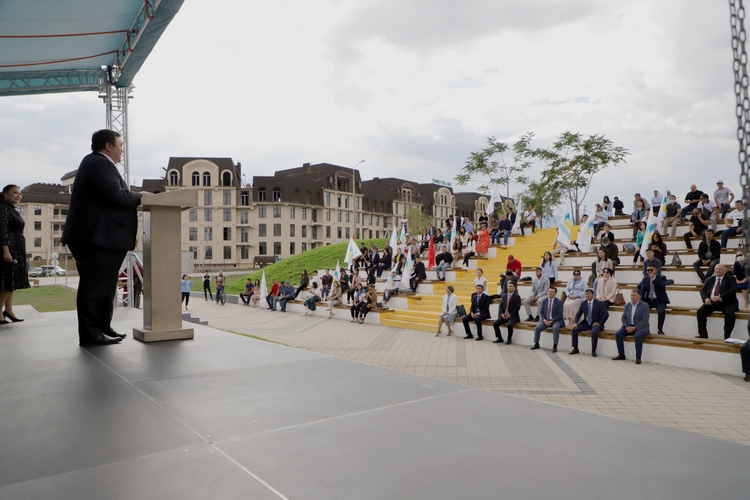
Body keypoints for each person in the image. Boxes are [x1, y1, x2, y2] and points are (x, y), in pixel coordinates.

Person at [61, 129, 152, 346]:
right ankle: (90, 334)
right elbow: (114, 194)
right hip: (97, 239)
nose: (122, 150)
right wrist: (140, 196)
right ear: (109, 146)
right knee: (95, 287)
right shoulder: (98, 163)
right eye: (120, 146)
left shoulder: (97, 163)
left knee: (106, 285)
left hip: (101, 238)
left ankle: (102, 327)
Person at [0, 184, 29, 324]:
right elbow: (2, 231)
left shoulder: (12, 209)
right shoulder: (3, 209)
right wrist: (6, 251)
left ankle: (9, 310)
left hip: (17, 249)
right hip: (8, 250)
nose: (18, 195)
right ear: (5, 194)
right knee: (6, 283)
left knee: (11, 282)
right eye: (15, 193)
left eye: (20, 193)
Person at [696, 264, 738, 339]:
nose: (718, 270)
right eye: (716, 269)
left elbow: (733, 290)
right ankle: (703, 334)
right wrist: (706, 299)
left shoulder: (731, 279)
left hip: (727, 303)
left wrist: (721, 297)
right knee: (700, 311)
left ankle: (727, 336)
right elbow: (702, 290)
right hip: (712, 302)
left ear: (725, 271)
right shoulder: (709, 279)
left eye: (720, 269)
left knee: (730, 315)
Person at [612, 289, 651, 365]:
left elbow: (645, 320)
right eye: (631, 295)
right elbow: (623, 317)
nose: (633, 297)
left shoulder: (645, 306)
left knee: (638, 336)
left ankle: (638, 357)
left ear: (639, 297)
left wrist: (635, 328)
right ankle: (621, 354)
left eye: (634, 295)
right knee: (618, 334)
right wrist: (626, 326)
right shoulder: (627, 305)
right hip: (628, 326)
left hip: (641, 327)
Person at [570, 289, 609, 357]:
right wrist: (575, 323)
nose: (587, 295)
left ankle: (593, 350)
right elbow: (578, 314)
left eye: (588, 294)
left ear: (593, 295)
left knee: (594, 331)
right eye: (586, 294)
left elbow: (606, 314)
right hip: (586, 323)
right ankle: (575, 348)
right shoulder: (583, 303)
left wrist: (600, 323)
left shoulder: (599, 303)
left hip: (596, 323)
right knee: (574, 329)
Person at [531, 287, 565, 352]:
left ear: (555, 293)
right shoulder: (544, 301)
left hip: (556, 320)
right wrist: (544, 320)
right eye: (549, 291)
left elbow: (560, 314)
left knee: (555, 328)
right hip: (546, 320)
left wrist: (552, 321)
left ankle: (555, 345)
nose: (550, 293)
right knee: (537, 328)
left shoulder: (559, 302)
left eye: (552, 292)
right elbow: (541, 312)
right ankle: (536, 343)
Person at [639, 265, 669, 335]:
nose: (649, 272)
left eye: (651, 270)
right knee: (642, 310)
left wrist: (654, 279)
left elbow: (662, 287)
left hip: (659, 300)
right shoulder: (645, 279)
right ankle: (644, 328)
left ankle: (660, 329)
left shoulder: (662, 277)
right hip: (649, 299)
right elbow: (642, 290)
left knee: (661, 311)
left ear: (655, 270)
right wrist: (641, 302)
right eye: (648, 270)